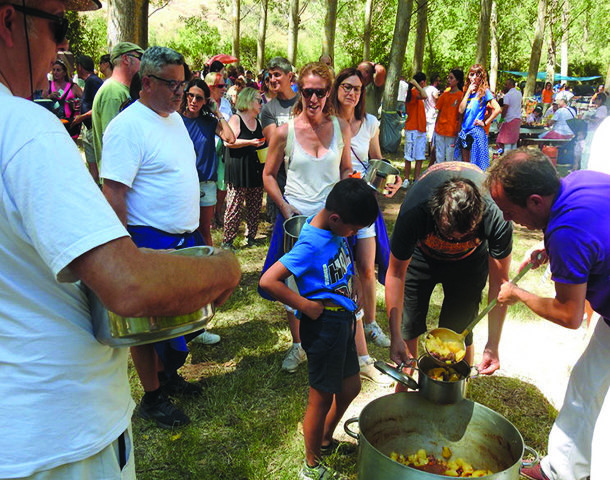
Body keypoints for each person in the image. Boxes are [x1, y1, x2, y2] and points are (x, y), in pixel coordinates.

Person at [0, 1, 240, 477]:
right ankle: (156, 391)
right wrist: (225, 266)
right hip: (59, 435)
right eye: (59, 25)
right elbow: (126, 284)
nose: (64, 45)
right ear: (8, 22)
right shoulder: (26, 129)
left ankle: (166, 381)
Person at [101, 46, 223, 429]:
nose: (180, 92)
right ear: (147, 82)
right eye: (172, 84)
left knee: (181, 323)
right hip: (147, 241)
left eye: (183, 83)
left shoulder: (172, 120)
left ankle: (167, 377)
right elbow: (114, 192)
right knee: (149, 327)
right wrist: (124, 253)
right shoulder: (127, 125)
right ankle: (152, 397)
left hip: (183, 240)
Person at [486, 148, 610, 480]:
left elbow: (569, 314)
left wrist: (518, 294)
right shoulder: (580, 181)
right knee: (587, 385)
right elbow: (597, 228)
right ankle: (561, 469)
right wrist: (550, 247)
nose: (509, 220)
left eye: (510, 212)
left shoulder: (568, 232)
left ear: (537, 201)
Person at [259, 178, 379, 480]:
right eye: (353, 229)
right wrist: (305, 305)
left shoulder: (334, 230)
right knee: (321, 398)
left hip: (343, 323)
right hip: (324, 327)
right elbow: (269, 281)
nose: (353, 235)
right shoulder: (312, 242)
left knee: (351, 387)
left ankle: (325, 438)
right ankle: (310, 466)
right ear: (337, 219)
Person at [261, 62, 353, 373]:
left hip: (331, 222)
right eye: (307, 91)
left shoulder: (340, 128)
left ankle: (332, 337)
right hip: (297, 220)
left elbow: (344, 168)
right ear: (299, 89)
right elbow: (269, 175)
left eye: (320, 92)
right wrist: (286, 207)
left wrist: (347, 187)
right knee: (292, 283)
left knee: (334, 279)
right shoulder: (284, 132)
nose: (313, 98)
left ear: (329, 93)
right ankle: (298, 345)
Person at [385, 162, 513, 379]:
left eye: (463, 235)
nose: (454, 240)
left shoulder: (496, 214)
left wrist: (492, 344)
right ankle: (406, 385)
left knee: (460, 327)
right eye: (448, 232)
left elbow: (500, 286)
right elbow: (396, 274)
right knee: (409, 324)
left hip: (469, 262)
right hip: (421, 255)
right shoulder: (416, 210)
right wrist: (395, 336)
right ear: (435, 213)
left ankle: (454, 390)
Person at [330, 67, 401, 385]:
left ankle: (371, 322)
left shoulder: (369, 122)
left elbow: (378, 161)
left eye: (357, 89)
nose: (352, 93)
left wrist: (393, 177)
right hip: (336, 205)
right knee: (341, 271)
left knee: (368, 269)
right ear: (337, 89)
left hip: (364, 203)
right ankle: (344, 324)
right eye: (347, 87)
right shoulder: (328, 122)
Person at [180, 78, 236, 246]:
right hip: (182, 182)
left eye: (199, 98)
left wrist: (217, 113)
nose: (194, 101)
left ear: (205, 101)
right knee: (183, 227)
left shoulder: (210, 122)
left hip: (205, 182)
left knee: (204, 229)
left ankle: (208, 265)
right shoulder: (176, 119)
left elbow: (230, 138)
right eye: (191, 96)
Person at [92, 41, 144, 184]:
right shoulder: (113, 92)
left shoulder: (121, 90)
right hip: (117, 180)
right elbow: (115, 141)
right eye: (140, 58)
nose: (143, 64)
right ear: (126, 59)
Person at [222, 87, 267, 249]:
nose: (261, 104)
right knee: (234, 206)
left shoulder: (258, 121)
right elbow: (228, 142)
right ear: (248, 101)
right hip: (239, 170)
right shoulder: (236, 119)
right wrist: (250, 142)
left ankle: (251, 236)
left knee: (255, 205)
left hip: (255, 168)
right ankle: (228, 240)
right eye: (258, 100)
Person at [260, 57, 298, 223]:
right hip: (281, 177)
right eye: (270, 76)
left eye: (277, 75)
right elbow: (274, 142)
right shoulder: (268, 109)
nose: (273, 80)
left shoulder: (304, 102)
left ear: (289, 76)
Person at [454, 64, 501, 170]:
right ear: (468, 77)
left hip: (475, 133)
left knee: (477, 166)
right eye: (472, 74)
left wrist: (484, 122)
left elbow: (497, 109)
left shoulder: (484, 92)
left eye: (477, 75)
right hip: (464, 132)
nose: (474, 77)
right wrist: (468, 93)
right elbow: (460, 110)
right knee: (465, 166)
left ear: (481, 77)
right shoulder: (467, 92)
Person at [205, 70, 233, 228]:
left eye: (225, 84)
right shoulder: (203, 103)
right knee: (209, 181)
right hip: (208, 148)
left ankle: (218, 211)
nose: (225, 88)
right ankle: (208, 214)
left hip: (224, 148)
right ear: (210, 87)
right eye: (221, 85)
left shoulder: (227, 103)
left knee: (222, 182)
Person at [72, 54, 104, 175]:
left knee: (98, 164)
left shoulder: (93, 81)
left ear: (80, 67)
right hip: (87, 129)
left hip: (94, 129)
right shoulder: (89, 81)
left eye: (76, 66)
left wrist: (82, 117)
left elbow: (98, 107)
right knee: (91, 165)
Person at [45, 58, 82, 140]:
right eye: (53, 70)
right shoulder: (48, 85)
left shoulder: (73, 87)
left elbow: (85, 100)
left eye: (58, 70)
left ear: (65, 73)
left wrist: (77, 104)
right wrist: (49, 97)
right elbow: (41, 102)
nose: (55, 72)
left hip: (70, 125)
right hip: (52, 124)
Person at [433, 69, 464, 163]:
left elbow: (461, 115)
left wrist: (458, 129)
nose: (449, 80)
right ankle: (440, 175)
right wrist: (435, 127)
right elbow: (439, 111)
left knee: (450, 157)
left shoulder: (461, 96)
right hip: (440, 130)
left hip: (452, 132)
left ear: (457, 80)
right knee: (439, 156)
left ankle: (449, 176)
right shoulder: (444, 95)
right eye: (448, 78)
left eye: (451, 78)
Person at [403, 72, 428, 184]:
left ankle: (416, 178)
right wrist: (417, 85)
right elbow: (425, 96)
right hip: (412, 128)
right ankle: (406, 178)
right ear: (422, 82)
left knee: (420, 155)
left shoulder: (416, 92)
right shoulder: (413, 93)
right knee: (409, 155)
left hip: (421, 129)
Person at [496, 78, 523, 153]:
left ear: (510, 85)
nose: (505, 86)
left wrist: (501, 120)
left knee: (507, 143)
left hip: (509, 120)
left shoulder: (508, 95)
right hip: (517, 119)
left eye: (506, 84)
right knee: (514, 142)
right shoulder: (519, 93)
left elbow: (505, 109)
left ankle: (507, 161)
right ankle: (513, 161)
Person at [423, 74, 441, 161]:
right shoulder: (434, 90)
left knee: (425, 134)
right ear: (435, 81)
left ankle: (425, 151)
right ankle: (430, 153)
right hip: (432, 114)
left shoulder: (425, 88)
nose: (439, 82)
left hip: (424, 113)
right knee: (431, 135)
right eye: (438, 81)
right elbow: (436, 98)